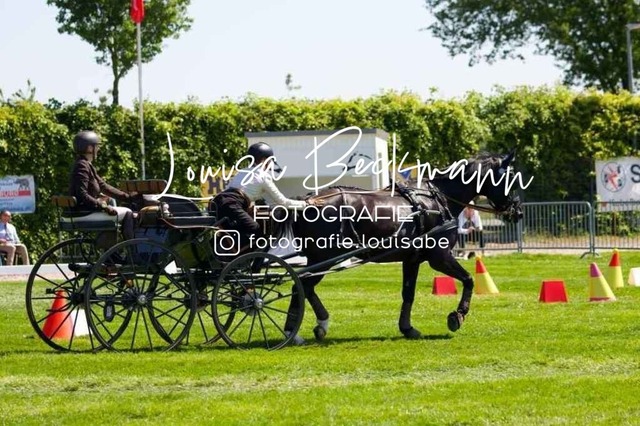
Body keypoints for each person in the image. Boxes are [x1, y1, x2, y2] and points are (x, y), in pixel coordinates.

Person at [213, 142, 321, 250]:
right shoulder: (263, 176)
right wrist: (306, 204)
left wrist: (250, 204)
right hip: (231, 204)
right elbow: (282, 202)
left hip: (217, 203)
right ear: (264, 160)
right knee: (255, 228)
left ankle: (228, 247)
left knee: (237, 229)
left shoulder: (242, 172)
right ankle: (234, 251)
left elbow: (237, 191)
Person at [68, 131, 137, 240]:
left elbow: (104, 187)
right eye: (97, 146)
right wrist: (103, 206)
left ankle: (111, 250)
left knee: (116, 207)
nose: (98, 149)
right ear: (90, 148)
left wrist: (128, 197)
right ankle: (132, 247)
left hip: (82, 212)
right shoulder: (82, 166)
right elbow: (82, 194)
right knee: (128, 212)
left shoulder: (85, 164)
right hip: (83, 213)